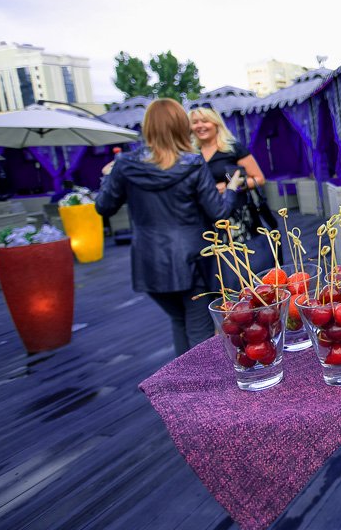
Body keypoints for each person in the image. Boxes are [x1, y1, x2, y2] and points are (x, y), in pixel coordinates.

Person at [96, 98, 242, 356]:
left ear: (148, 127)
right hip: (192, 261)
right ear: (181, 126)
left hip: (149, 263)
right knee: (199, 333)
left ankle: (185, 380)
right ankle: (200, 381)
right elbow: (219, 214)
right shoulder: (194, 164)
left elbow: (103, 207)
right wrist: (231, 189)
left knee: (178, 320)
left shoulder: (124, 165)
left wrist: (109, 177)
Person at [190, 106, 268, 246]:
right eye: (195, 122)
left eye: (205, 121)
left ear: (216, 123)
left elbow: (259, 179)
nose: (200, 126)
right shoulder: (191, 154)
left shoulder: (233, 149)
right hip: (206, 219)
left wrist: (229, 187)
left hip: (236, 217)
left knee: (241, 256)